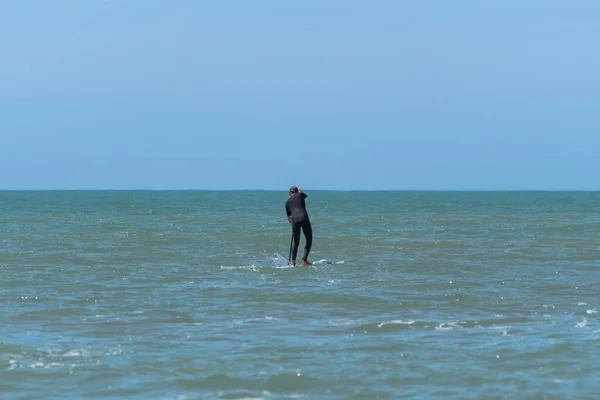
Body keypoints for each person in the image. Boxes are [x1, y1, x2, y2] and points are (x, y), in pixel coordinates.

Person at [285, 186, 312, 266]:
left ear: (290, 193)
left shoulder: (287, 203)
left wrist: (293, 225)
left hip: (295, 222)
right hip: (304, 218)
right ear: (297, 191)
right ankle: (304, 260)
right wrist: (300, 192)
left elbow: (289, 217)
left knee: (296, 243)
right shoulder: (300, 195)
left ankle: (293, 263)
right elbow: (305, 196)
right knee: (308, 240)